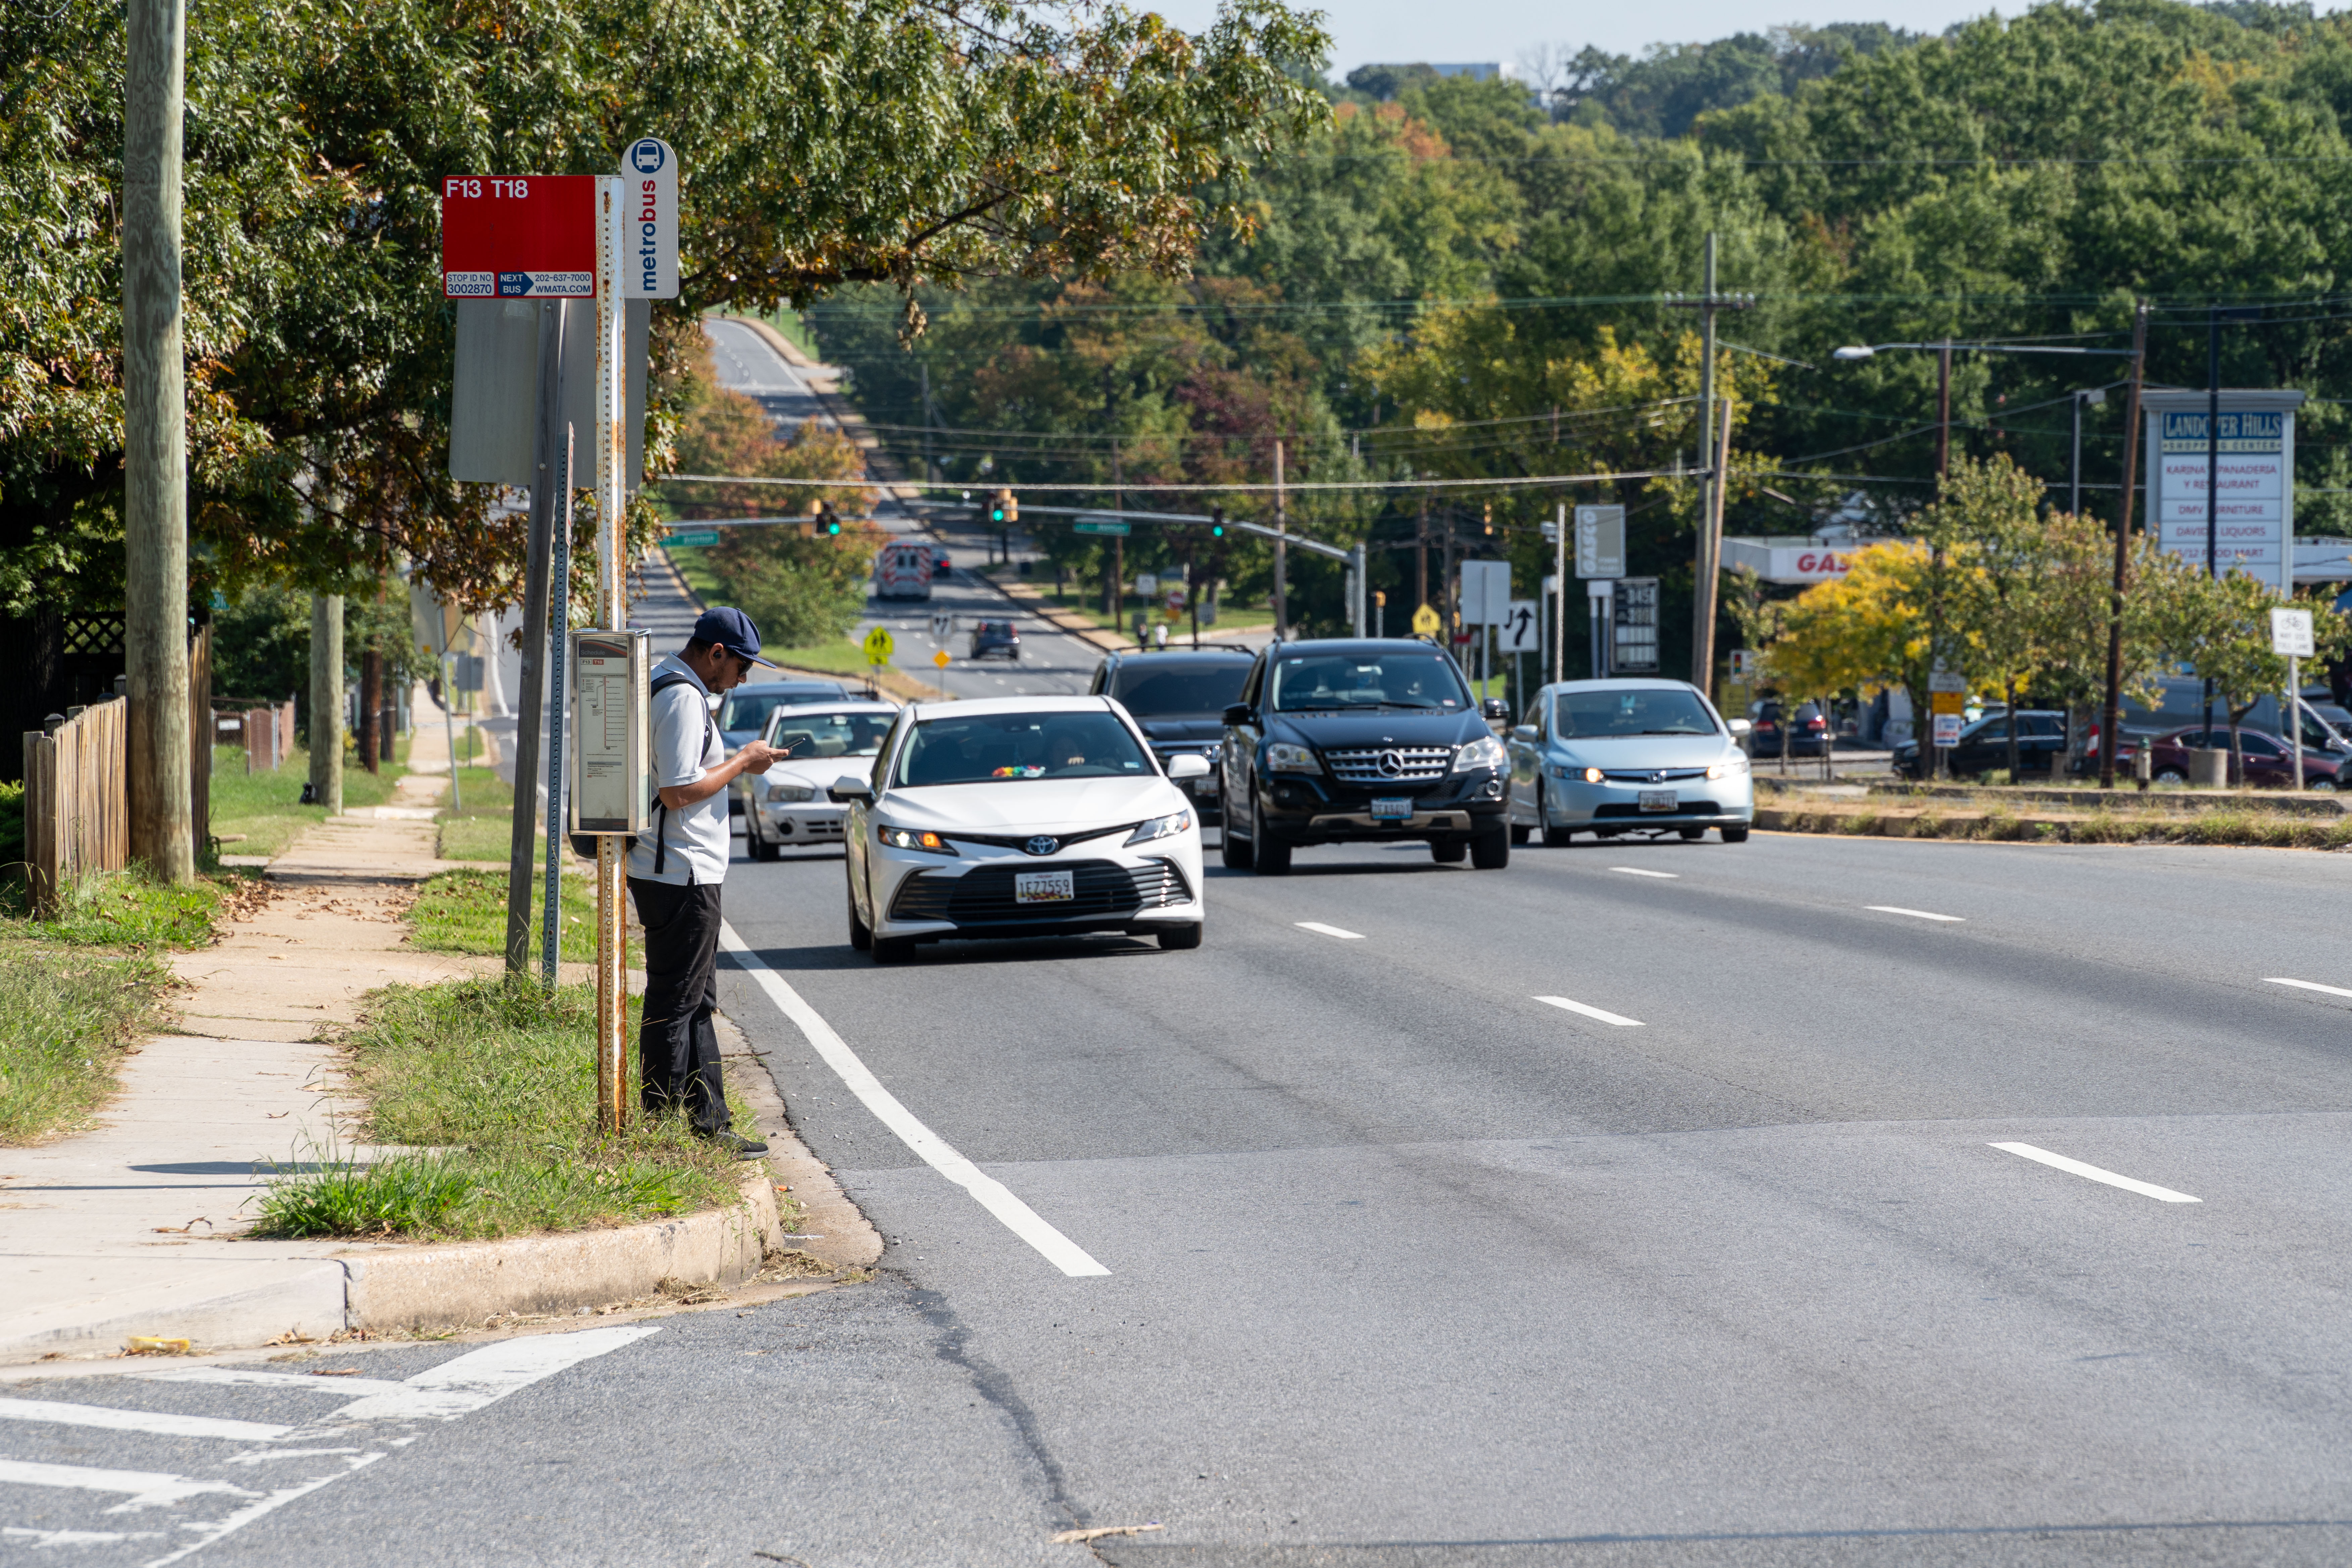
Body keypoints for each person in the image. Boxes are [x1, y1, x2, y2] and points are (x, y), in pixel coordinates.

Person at [627, 606, 784, 1158]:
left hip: (678, 870)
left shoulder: (672, 685)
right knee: (675, 1001)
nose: (742, 680)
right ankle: (663, 1131)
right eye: (741, 668)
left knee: (696, 1001)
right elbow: (679, 790)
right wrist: (744, 759)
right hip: (680, 873)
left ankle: (707, 1122)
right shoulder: (682, 696)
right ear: (715, 653)